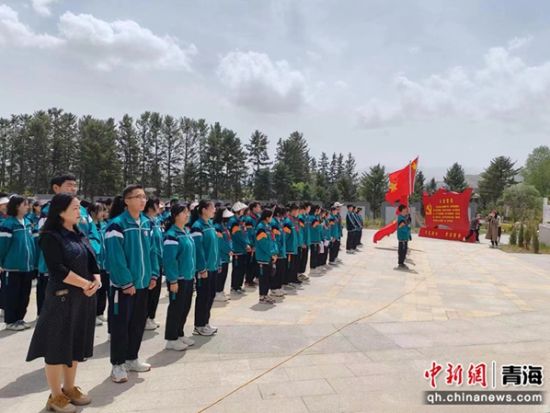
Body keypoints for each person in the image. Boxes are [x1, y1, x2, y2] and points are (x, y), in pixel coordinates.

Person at [26, 193, 100, 413]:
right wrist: (85, 283)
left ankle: (69, 388)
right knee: (57, 348)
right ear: (60, 211)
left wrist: (96, 280)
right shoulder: (50, 236)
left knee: (75, 344)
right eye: (75, 208)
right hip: (62, 298)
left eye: (79, 208)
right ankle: (55, 395)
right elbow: (57, 269)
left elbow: (92, 261)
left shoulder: (78, 233)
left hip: (82, 298)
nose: (80, 212)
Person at [105, 185, 159, 384]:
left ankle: (132, 358)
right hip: (124, 287)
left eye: (144, 197)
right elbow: (115, 257)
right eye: (138, 197)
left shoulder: (146, 223)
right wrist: (126, 282)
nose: (143, 200)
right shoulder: (117, 225)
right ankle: (118, 364)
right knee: (121, 326)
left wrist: (153, 274)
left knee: (137, 324)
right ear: (126, 201)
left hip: (143, 284)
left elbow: (153, 251)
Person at [36, 175, 101, 320]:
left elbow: (94, 234)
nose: (73, 188)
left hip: (82, 264)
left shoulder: (83, 210)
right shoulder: (48, 211)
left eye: (75, 185)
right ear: (56, 188)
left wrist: (86, 250)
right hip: (59, 268)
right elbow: (46, 240)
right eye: (69, 185)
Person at [163, 203, 196, 351]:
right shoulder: (172, 235)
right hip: (179, 279)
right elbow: (170, 260)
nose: (187, 215)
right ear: (175, 215)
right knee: (176, 308)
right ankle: (171, 338)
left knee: (185, 307)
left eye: (187, 212)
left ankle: (179, 333)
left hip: (188, 277)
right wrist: (173, 280)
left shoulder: (186, 232)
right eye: (184, 212)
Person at [0, 195, 35, 331]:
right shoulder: (8, 224)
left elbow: (32, 244)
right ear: (16, 206)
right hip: (12, 268)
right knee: (12, 295)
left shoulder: (27, 222)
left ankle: (19, 319)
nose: (28, 207)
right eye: (24, 204)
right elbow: (2, 246)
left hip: (27, 267)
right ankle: (10, 321)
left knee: (24, 295)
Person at [190, 200, 220, 336]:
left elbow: (215, 246)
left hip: (212, 267)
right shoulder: (197, 226)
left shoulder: (210, 224)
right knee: (203, 297)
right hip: (204, 269)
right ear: (203, 210)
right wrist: (202, 268)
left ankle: (205, 322)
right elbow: (198, 249)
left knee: (210, 295)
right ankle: (199, 325)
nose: (214, 210)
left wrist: (218, 263)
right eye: (212, 207)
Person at [144, 198, 163, 331]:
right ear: (150, 207)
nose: (159, 208)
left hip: (158, 260)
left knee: (155, 292)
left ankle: (151, 317)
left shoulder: (156, 221)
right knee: (149, 292)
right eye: (157, 206)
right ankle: (145, 318)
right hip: (150, 262)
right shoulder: (145, 222)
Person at [88, 202, 109, 326]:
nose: (103, 213)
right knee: (95, 289)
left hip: (105, 263)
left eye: (103, 210)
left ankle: (100, 312)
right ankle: (92, 314)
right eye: (100, 210)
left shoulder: (105, 225)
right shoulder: (89, 227)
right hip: (95, 263)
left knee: (103, 289)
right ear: (92, 212)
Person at [254, 209, 278, 304]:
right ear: (267, 217)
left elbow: (273, 240)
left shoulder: (268, 227)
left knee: (268, 277)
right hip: (263, 257)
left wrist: (275, 253)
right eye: (271, 217)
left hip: (269, 256)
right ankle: (262, 296)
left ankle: (266, 294)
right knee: (263, 278)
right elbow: (263, 244)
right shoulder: (261, 228)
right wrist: (272, 254)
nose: (272, 218)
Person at [228, 202, 250, 294]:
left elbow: (244, 233)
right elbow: (237, 236)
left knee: (242, 268)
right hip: (237, 248)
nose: (244, 211)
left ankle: (239, 285)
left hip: (242, 248)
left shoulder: (240, 220)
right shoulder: (233, 221)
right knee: (237, 269)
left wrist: (247, 243)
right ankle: (235, 286)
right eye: (243, 210)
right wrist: (245, 244)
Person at [213, 207, 233, 302]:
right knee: (220, 275)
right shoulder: (217, 227)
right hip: (221, 256)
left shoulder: (224, 226)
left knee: (224, 274)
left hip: (226, 255)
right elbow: (220, 242)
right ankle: (217, 292)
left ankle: (221, 291)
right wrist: (228, 250)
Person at [243, 202, 261, 287]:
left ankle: (253, 278)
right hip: (252, 244)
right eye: (258, 207)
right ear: (253, 208)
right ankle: (248, 280)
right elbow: (249, 233)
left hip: (257, 242)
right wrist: (251, 244)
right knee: (250, 263)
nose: (259, 209)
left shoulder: (258, 217)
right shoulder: (249, 219)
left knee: (255, 262)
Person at [270, 206, 286, 298]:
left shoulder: (280, 222)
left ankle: (279, 286)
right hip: (277, 249)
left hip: (281, 249)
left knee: (281, 269)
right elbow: (274, 237)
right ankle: (274, 288)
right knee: (276, 270)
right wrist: (276, 250)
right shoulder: (273, 222)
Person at [283, 204, 301, 288]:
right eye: (297, 211)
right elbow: (285, 236)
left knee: (294, 264)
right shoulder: (287, 221)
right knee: (289, 265)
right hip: (289, 248)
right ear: (293, 211)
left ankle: (293, 279)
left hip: (294, 246)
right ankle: (287, 281)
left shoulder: (294, 220)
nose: (297, 212)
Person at [397, 204, 411, 269]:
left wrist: (408, 217)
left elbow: (408, 223)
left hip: (405, 237)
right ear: (402, 210)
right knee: (402, 251)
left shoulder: (404, 217)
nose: (406, 210)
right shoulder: (400, 217)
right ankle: (400, 263)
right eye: (405, 209)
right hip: (402, 237)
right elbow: (401, 225)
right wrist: (406, 221)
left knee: (404, 251)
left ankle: (402, 263)